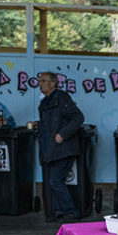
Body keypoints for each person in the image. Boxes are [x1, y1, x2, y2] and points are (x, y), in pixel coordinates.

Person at [37, 71, 85, 222]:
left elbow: (78, 118)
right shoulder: (44, 103)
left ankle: (71, 212)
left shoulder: (61, 98)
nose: (40, 84)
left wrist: (63, 134)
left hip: (63, 148)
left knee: (55, 181)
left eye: (43, 81)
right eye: (39, 81)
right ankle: (59, 211)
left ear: (53, 83)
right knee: (55, 181)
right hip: (51, 149)